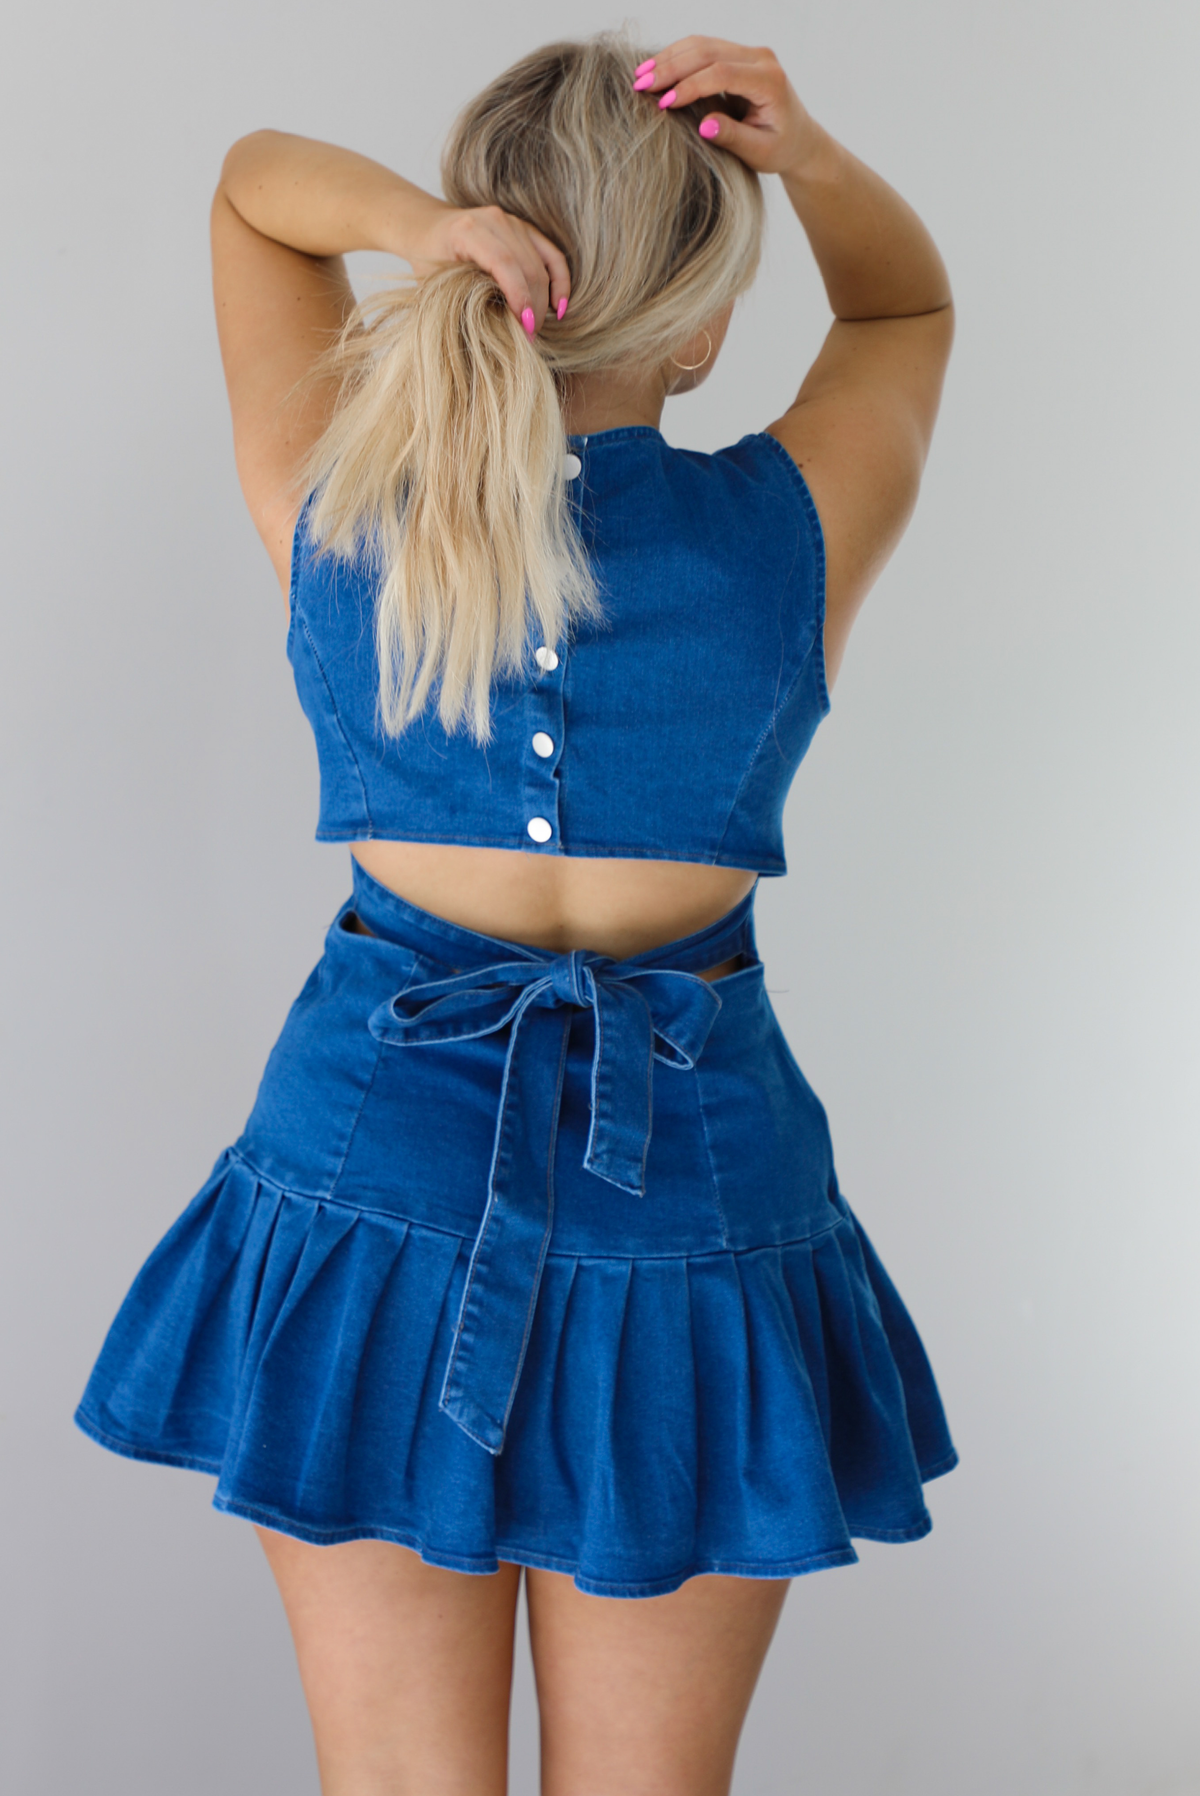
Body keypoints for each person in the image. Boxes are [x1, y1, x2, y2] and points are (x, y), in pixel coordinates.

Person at [76, 32, 957, 1796]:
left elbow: (254, 183)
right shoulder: (792, 525)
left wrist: (423, 224)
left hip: (364, 1190)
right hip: (694, 1208)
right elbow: (902, 321)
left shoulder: (341, 495)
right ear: (702, 327)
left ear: (490, 260)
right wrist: (816, 158)